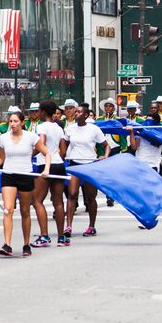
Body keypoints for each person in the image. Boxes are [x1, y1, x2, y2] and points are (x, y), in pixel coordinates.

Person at [0, 111, 51, 257]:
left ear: (22, 122)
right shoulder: (3, 138)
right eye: (10, 121)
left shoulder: (31, 137)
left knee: (25, 211)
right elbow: (1, 158)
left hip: (26, 175)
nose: (12, 124)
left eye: (15, 121)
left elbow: (47, 153)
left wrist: (46, 169)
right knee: (8, 209)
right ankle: (7, 244)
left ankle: (26, 244)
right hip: (8, 175)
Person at [61, 105, 109, 237]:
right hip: (74, 164)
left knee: (90, 197)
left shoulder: (94, 129)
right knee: (72, 194)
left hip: (89, 165)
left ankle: (91, 226)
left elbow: (106, 146)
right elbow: (64, 143)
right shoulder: (70, 129)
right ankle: (68, 226)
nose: (76, 113)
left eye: (79, 112)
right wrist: (63, 154)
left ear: (86, 115)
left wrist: (105, 156)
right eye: (75, 111)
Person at [31, 100, 68, 248]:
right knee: (58, 202)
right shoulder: (58, 128)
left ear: (43, 112)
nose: (38, 113)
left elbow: (41, 144)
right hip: (59, 164)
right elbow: (63, 151)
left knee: (37, 201)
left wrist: (29, 154)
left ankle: (44, 236)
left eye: (39, 111)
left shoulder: (42, 126)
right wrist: (57, 158)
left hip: (45, 165)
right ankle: (61, 237)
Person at [96, 98, 127, 207]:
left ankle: (111, 196)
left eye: (110, 106)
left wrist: (123, 149)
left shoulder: (118, 120)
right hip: (103, 149)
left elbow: (122, 136)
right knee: (105, 174)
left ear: (114, 108)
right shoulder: (99, 120)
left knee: (114, 173)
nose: (108, 108)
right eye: (106, 106)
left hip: (115, 148)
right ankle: (108, 194)